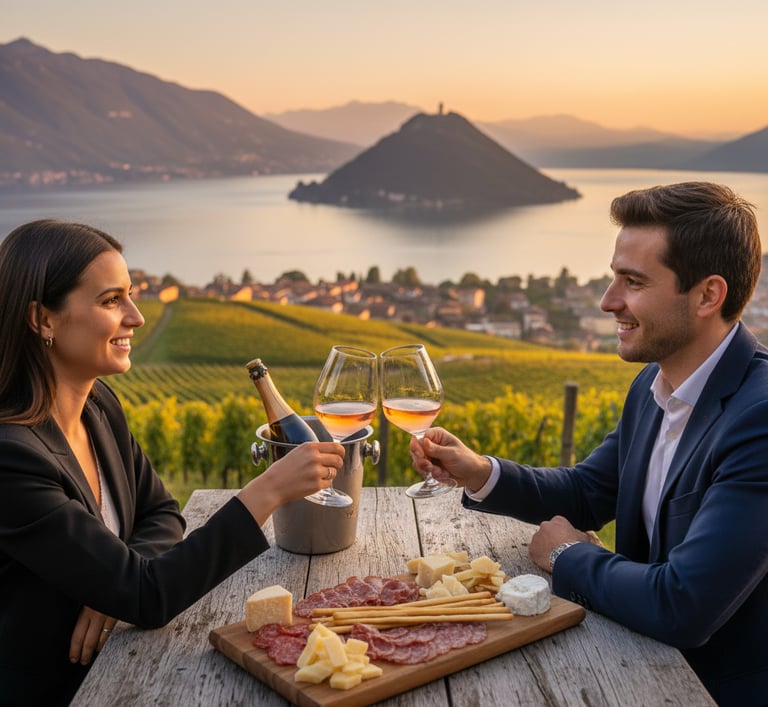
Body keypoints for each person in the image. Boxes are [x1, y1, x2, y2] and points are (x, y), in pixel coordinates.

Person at [410, 182, 768, 706]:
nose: (608, 301)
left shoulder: (759, 419)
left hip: (708, 691)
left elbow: (683, 606)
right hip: (636, 658)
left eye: (633, 282)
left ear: (708, 296)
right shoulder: (652, 386)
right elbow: (585, 493)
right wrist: (479, 471)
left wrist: (569, 555)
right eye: (613, 277)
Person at [0, 220, 345, 706]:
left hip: (121, 668)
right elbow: (147, 598)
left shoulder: (99, 406)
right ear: (43, 319)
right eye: (111, 300)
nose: (137, 317)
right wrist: (265, 491)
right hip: (60, 691)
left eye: (131, 294)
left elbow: (162, 512)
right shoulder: (12, 458)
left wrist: (112, 584)